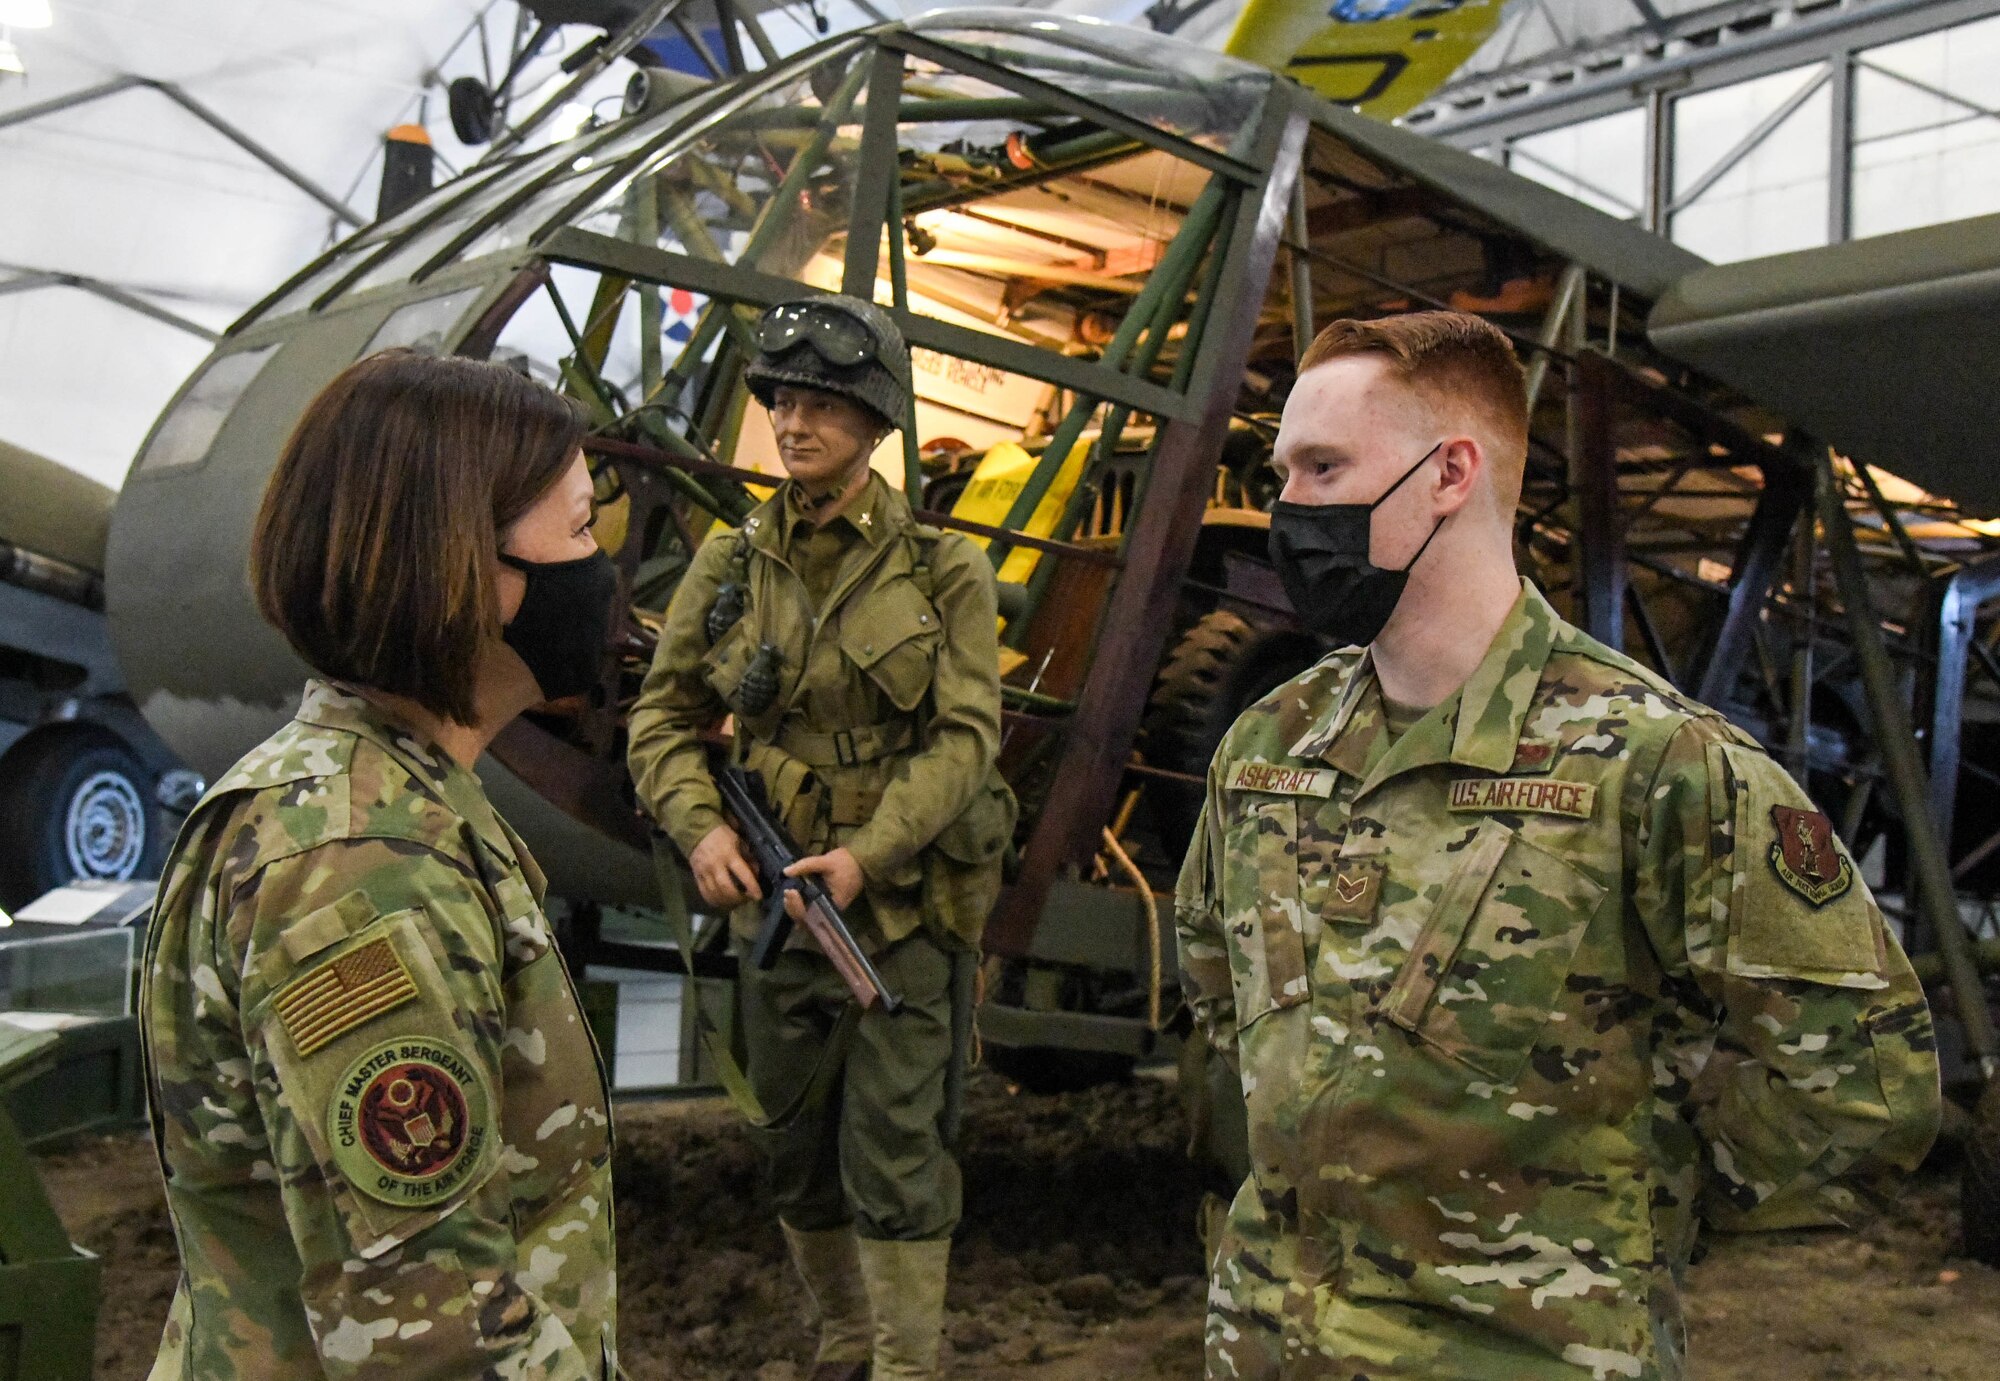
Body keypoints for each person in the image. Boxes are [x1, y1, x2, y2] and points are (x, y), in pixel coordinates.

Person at [1175, 311, 1941, 1380]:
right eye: (1281, 471)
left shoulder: (1652, 759)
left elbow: (1859, 1079)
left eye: (1322, 467)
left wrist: (1628, 1203)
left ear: (1449, 475)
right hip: (1265, 1346)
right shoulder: (1270, 742)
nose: (1286, 507)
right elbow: (1219, 994)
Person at [141, 349, 620, 1379]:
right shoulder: (362, 861)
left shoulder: (400, 800)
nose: (601, 569)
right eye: (578, 530)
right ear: (461, 568)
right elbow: (429, 1330)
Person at [627, 293, 1011, 1381]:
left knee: (895, 1152)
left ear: (875, 421)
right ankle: (842, 1337)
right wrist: (700, 828)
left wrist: (871, 852)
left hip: (896, 907)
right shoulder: (732, 564)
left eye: (821, 407)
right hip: (778, 904)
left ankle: (900, 1363)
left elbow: (964, 737)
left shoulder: (942, 570)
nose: (793, 426)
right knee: (791, 1146)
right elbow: (659, 717)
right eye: (781, 404)